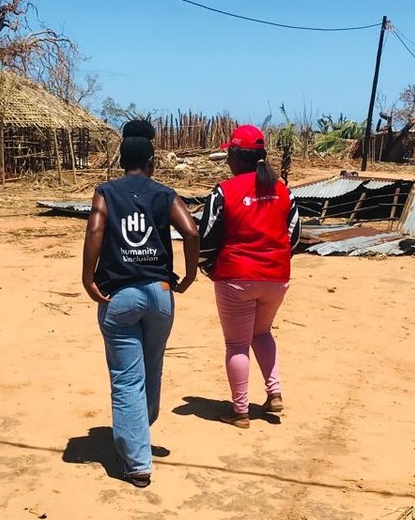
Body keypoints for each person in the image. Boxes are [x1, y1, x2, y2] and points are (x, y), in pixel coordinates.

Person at [81, 120, 200, 487]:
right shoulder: (163, 194)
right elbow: (192, 231)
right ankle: (138, 431)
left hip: (120, 296)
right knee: (152, 368)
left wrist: (88, 277)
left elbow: (96, 229)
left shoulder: (106, 192)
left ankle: (137, 462)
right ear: (151, 160)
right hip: (160, 294)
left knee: (127, 378)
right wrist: (190, 274)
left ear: (121, 160)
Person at [198, 124, 301, 429]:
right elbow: (294, 235)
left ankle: (240, 411)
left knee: (237, 344)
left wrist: (209, 268)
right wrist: (277, 259)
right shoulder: (282, 189)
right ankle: (274, 393)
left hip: (236, 276)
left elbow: (207, 237)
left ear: (236, 157)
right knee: (262, 333)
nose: (227, 159)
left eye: (229, 152)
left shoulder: (223, 191)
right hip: (276, 277)